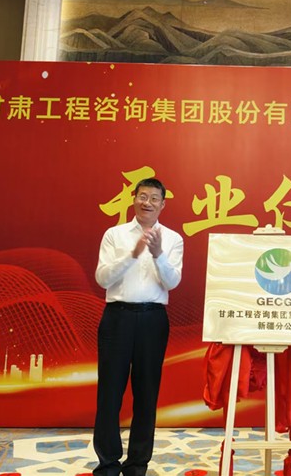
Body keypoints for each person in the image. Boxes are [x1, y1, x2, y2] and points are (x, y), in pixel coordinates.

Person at [92, 177, 184, 476]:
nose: (148, 203)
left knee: (147, 393)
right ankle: (108, 464)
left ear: (163, 204)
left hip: (153, 320)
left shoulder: (173, 239)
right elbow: (103, 278)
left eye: (154, 198)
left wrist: (157, 254)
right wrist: (132, 254)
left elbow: (172, 282)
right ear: (133, 199)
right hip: (117, 317)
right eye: (143, 196)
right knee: (109, 392)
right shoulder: (114, 234)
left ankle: (137, 465)